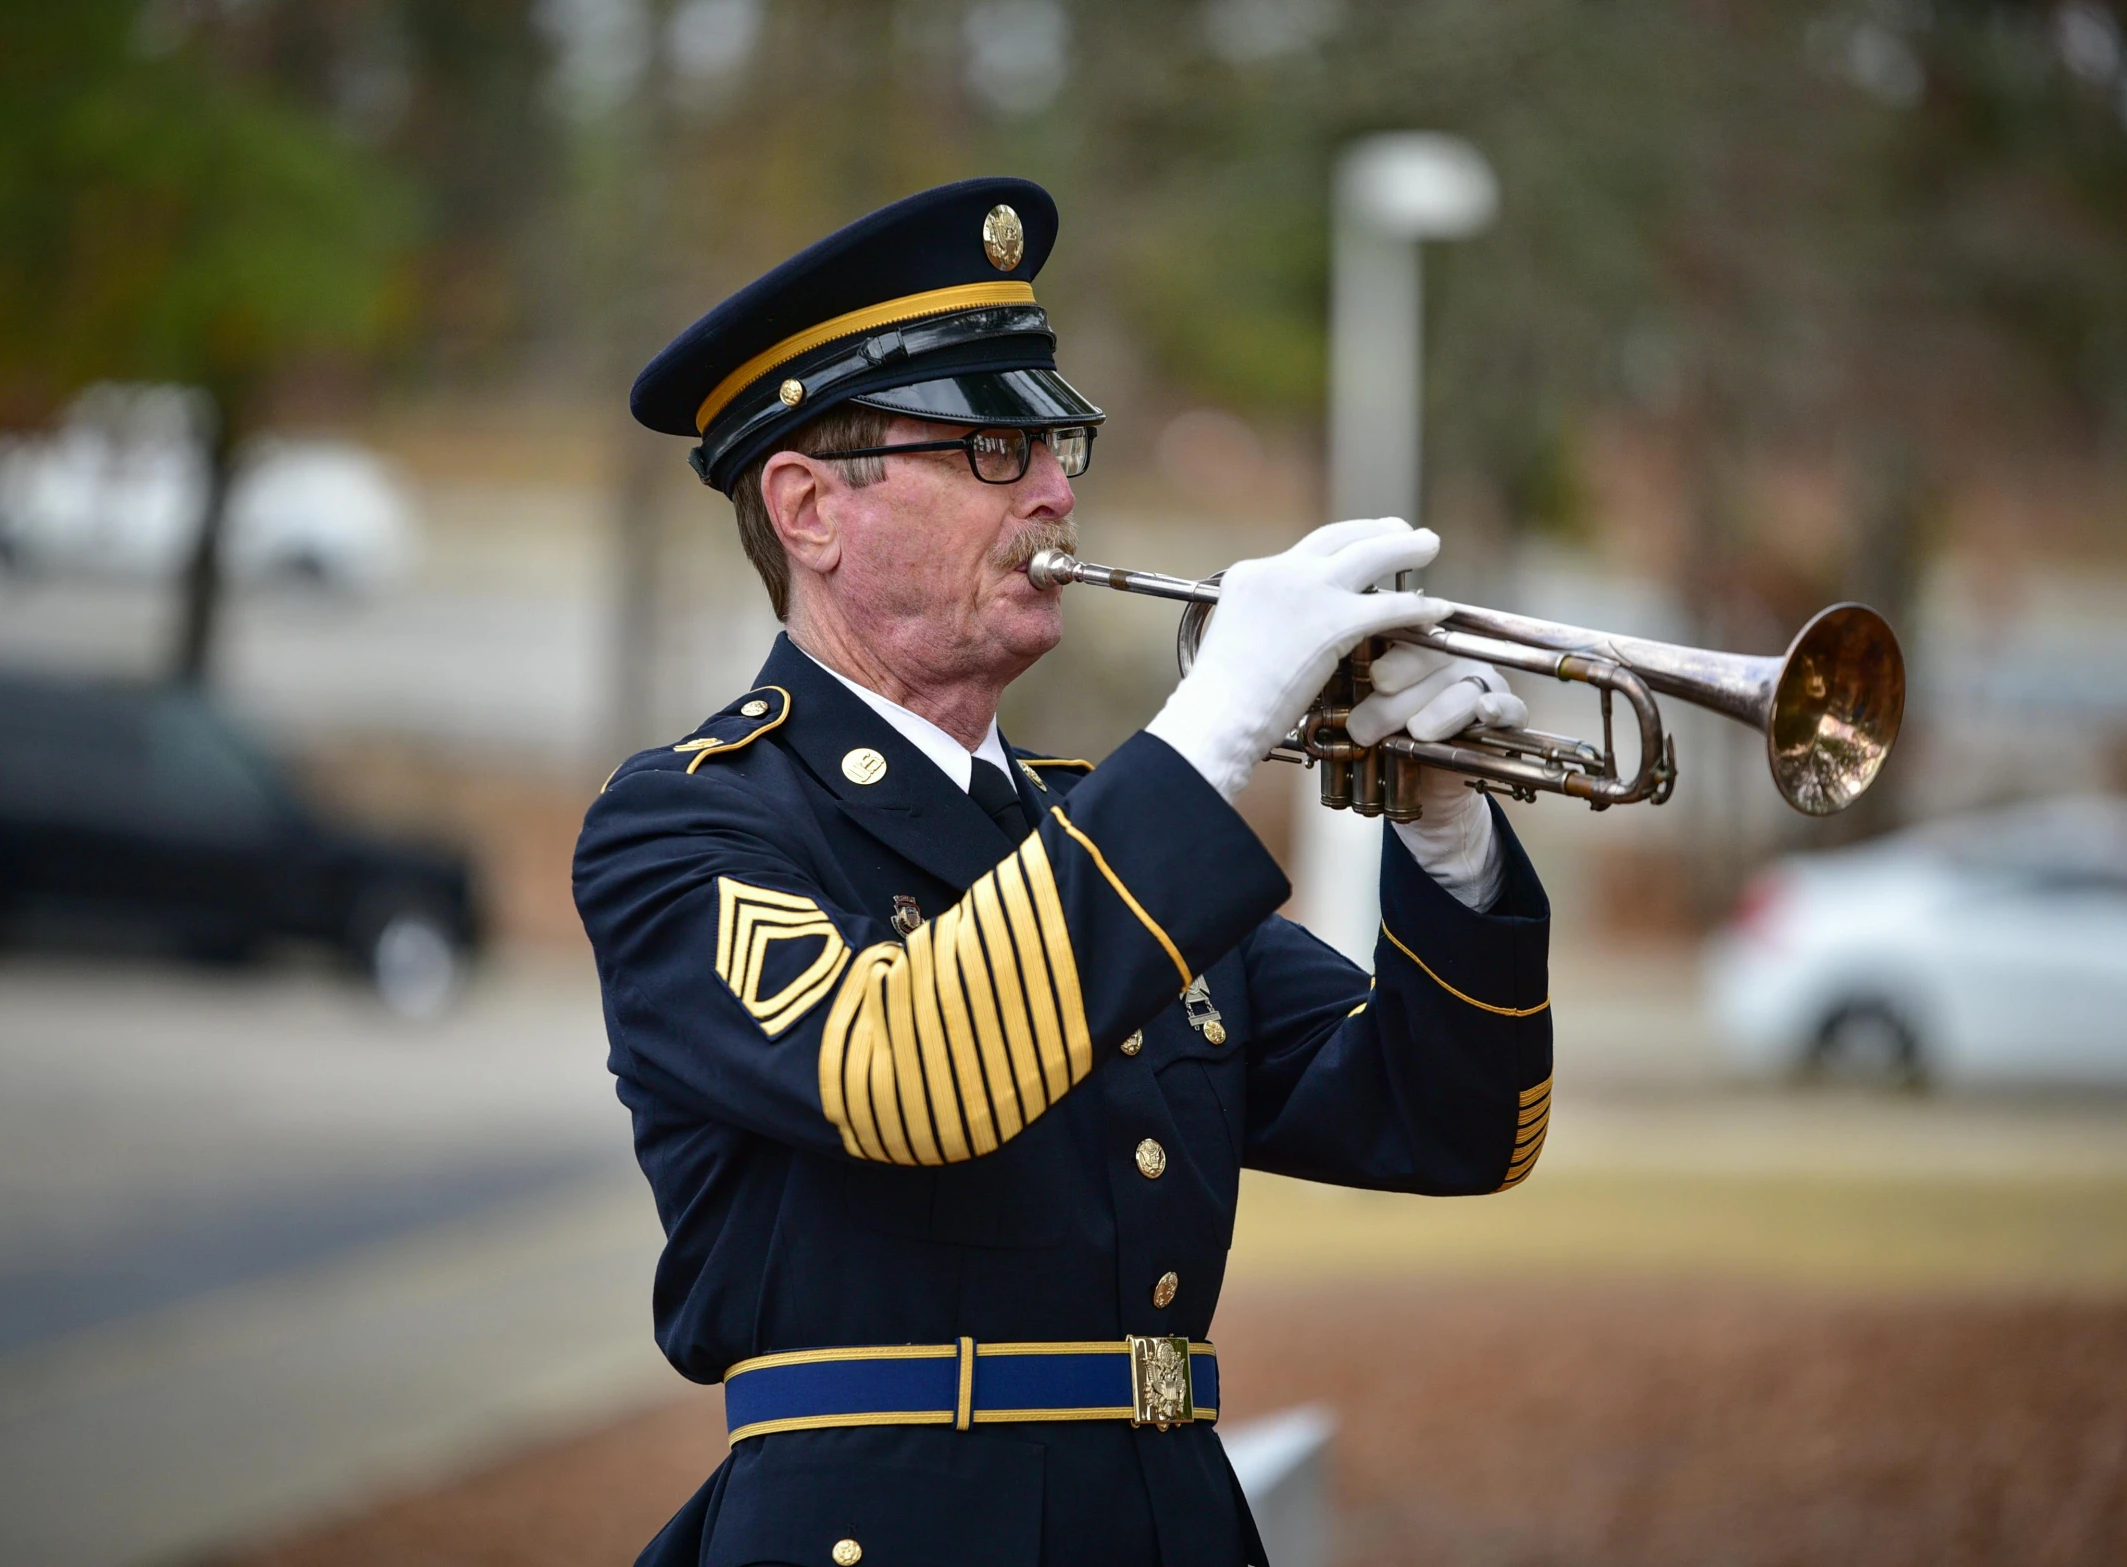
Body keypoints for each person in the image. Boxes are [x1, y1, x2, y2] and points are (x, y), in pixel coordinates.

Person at [574, 177, 1554, 1567]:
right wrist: (1213, 726)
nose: (1054, 488)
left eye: (1058, 440)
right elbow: (906, 1067)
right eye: (990, 446)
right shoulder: (689, 825)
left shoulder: (1103, 834)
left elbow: (1452, 1129)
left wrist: (1444, 832)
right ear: (806, 506)